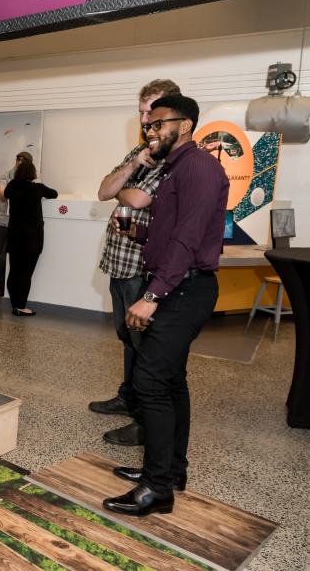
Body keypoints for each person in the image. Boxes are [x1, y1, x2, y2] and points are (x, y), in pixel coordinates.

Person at [103, 95, 228, 517]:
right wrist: (140, 235)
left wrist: (152, 296)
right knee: (171, 382)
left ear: (186, 124)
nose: (151, 132)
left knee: (150, 382)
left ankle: (157, 489)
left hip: (183, 291)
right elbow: (172, 230)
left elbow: (188, 239)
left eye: (158, 125)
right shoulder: (176, 167)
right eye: (149, 127)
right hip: (179, 285)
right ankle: (170, 470)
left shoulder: (198, 167)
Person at [90, 80, 182, 447]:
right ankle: (128, 397)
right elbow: (104, 190)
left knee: (145, 345)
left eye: (152, 112)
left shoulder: (174, 156)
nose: (145, 119)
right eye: (141, 112)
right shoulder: (141, 151)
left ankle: (146, 419)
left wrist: (127, 186)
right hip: (119, 261)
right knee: (127, 338)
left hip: (144, 267)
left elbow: (139, 199)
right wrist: (132, 164)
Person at [4, 157, 57, 316]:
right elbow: (54, 194)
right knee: (26, 273)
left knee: (14, 272)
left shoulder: (12, 186)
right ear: (33, 173)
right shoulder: (37, 188)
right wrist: (37, 182)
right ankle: (21, 307)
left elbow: (5, 194)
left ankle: (15, 304)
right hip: (32, 238)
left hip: (14, 235)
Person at [0, 151, 31, 296]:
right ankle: (0, 285)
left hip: (17, 224)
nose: (20, 162)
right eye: (18, 159)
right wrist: (20, 194)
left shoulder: (31, 180)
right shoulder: (6, 176)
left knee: (7, 254)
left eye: (23, 160)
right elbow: (2, 193)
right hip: (1, 222)